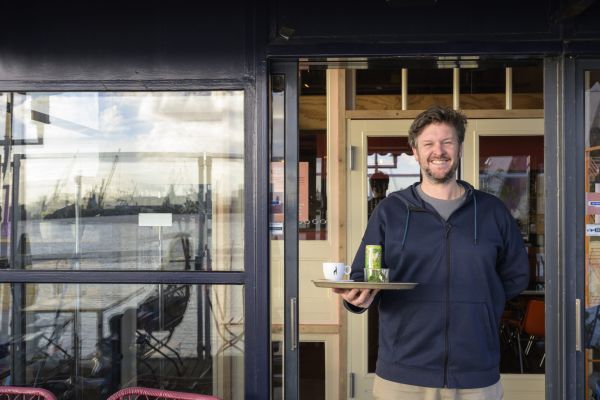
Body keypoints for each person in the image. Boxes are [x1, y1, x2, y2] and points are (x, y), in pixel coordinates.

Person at [334, 105, 529, 400]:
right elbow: (363, 275)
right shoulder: (391, 211)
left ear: (460, 147)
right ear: (415, 151)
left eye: (447, 142)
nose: (438, 151)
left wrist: (480, 305)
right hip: (402, 374)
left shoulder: (492, 211)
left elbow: (515, 277)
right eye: (428, 143)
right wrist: (356, 299)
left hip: (476, 373)